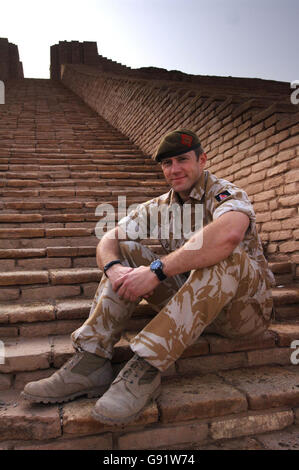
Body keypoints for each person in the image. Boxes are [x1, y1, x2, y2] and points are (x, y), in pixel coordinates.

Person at [21, 129, 274, 425]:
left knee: (224, 253)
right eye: (167, 163)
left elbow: (229, 235)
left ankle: (146, 367)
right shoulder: (159, 207)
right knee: (124, 249)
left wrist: (157, 270)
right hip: (197, 308)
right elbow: (108, 239)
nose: (174, 169)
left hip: (244, 313)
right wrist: (114, 268)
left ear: (202, 160)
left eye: (182, 160)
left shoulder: (225, 193)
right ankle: (90, 361)